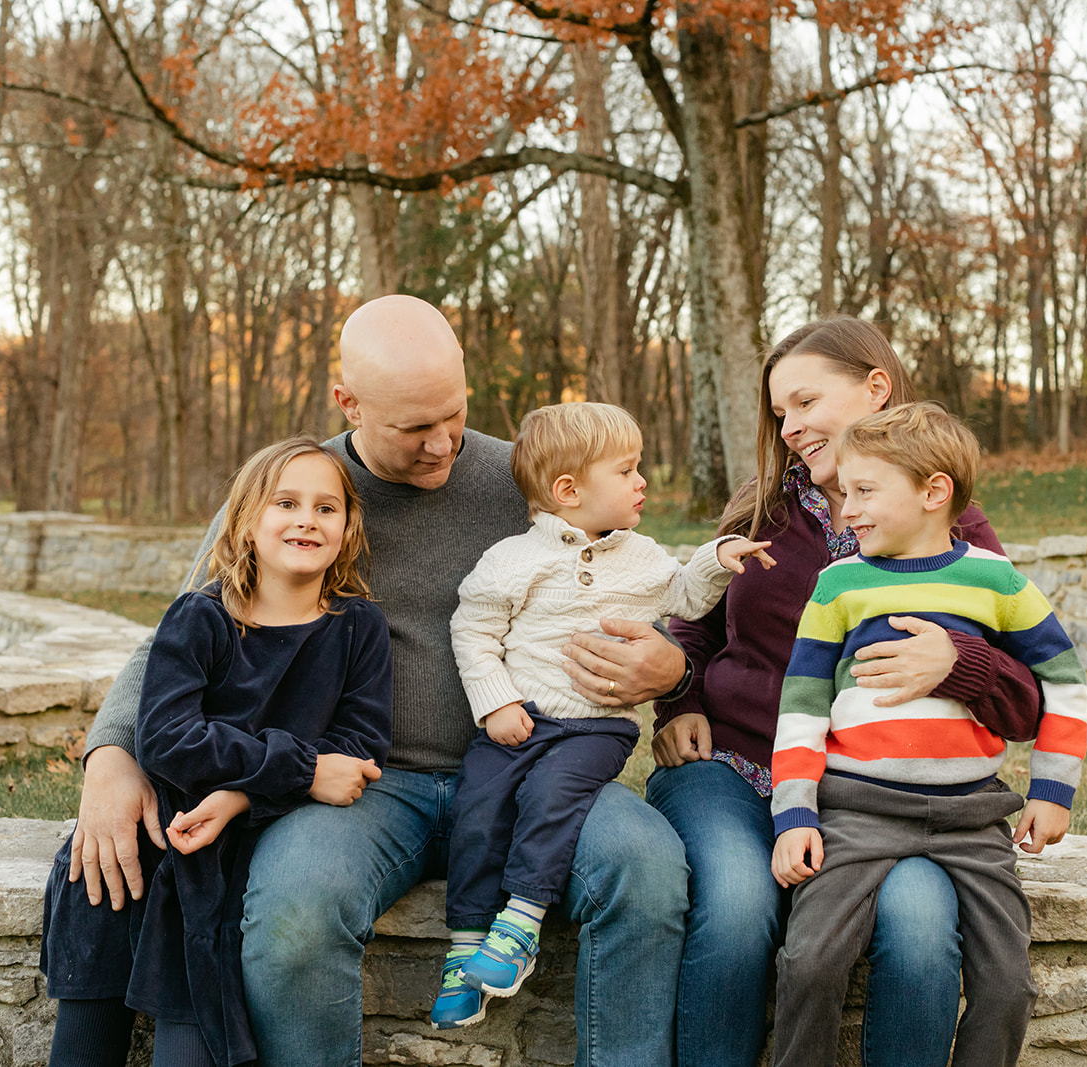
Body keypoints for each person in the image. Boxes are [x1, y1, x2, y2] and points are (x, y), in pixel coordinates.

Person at [70, 295, 692, 1067]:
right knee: (296, 910)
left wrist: (675, 668)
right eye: (413, 429)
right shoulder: (303, 491)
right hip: (364, 782)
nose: (442, 445)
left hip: (535, 762)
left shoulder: (530, 480)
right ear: (348, 402)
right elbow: (185, 628)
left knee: (649, 870)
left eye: (453, 415)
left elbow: (652, 585)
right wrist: (111, 754)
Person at [648, 316, 1048, 1067]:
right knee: (737, 909)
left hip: (875, 798)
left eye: (805, 403)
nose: (791, 427)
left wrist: (954, 661)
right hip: (736, 767)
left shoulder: (952, 529)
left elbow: (1028, 697)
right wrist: (681, 699)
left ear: (876, 387)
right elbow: (692, 620)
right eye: (780, 414)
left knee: (925, 929)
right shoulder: (763, 503)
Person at [42, 436, 392, 1067]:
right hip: (145, 846)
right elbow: (171, 740)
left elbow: (359, 743)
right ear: (246, 520)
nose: (306, 519)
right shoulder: (199, 618)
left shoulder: (358, 627)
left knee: (194, 1049)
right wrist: (300, 769)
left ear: (348, 527)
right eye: (286, 502)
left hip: (227, 861)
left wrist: (238, 794)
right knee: (84, 1049)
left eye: (327, 507)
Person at [434, 402, 774, 1028]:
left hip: (594, 727)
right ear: (568, 491)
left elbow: (684, 596)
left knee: (551, 795)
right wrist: (497, 702)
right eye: (626, 470)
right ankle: (465, 948)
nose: (642, 481)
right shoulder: (510, 559)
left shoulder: (640, 556)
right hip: (517, 721)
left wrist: (716, 558)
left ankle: (522, 923)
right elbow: (474, 630)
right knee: (477, 808)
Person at [769, 402, 1087, 1067]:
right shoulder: (838, 586)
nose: (845, 508)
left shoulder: (996, 581)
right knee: (808, 964)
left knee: (1007, 986)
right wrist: (795, 810)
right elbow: (802, 705)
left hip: (972, 819)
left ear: (933, 491)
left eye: (864, 491)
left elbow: (1063, 677)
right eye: (844, 492)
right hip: (856, 814)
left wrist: (1053, 787)